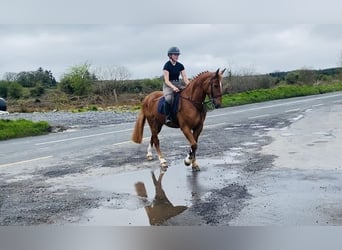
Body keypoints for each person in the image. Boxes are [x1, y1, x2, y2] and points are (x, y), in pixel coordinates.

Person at [162, 46, 190, 124]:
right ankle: (168, 116)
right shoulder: (166, 65)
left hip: (178, 83)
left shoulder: (180, 65)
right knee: (168, 98)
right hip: (168, 85)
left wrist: (190, 85)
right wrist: (173, 87)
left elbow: (185, 79)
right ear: (170, 55)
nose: (177, 56)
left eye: (178, 55)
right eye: (175, 55)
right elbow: (166, 80)